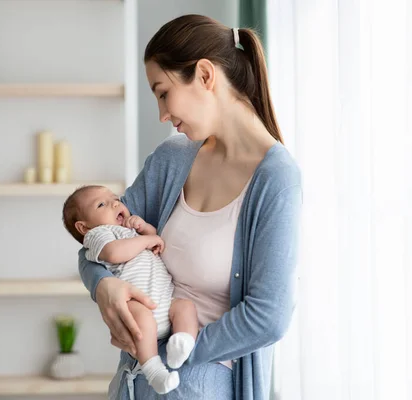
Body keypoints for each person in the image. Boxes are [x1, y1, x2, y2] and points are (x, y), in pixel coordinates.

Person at [78, 14, 302, 400]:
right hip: (135, 386)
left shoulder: (276, 179)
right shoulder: (172, 159)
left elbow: (268, 318)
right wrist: (104, 287)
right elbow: (95, 240)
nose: (162, 114)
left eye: (163, 92)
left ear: (204, 75)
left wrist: (167, 353)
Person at [62, 185, 198, 395]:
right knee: (142, 320)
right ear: (83, 227)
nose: (115, 203)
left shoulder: (128, 229)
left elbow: (155, 239)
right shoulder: (98, 234)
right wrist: (146, 239)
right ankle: (154, 371)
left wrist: (144, 228)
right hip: (138, 304)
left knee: (185, 307)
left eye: (115, 198)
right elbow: (114, 253)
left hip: (163, 300)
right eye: (102, 204)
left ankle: (182, 343)